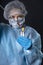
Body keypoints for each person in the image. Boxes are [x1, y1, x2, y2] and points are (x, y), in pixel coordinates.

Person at [3, 0, 43, 65]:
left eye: (19, 16)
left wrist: (30, 49)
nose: (16, 19)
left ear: (24, 15)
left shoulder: (32, 33)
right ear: (7, 17)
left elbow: (37, 61)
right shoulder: (3, 30)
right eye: (12, 17)